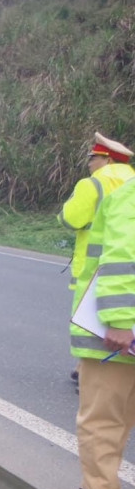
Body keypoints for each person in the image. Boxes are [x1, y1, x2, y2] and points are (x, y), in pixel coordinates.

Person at [71, 136, 135, 489]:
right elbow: (122, 257)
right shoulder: (129, 195)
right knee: (105, 417)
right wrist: (118, 320)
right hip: (113, 326)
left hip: (123, 326)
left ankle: (97, 486)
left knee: (122, 416)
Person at [59, 132, 135, 387]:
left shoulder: (93, 183)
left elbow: (70, 218)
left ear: (108, 159)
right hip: (129, 276)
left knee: (89, 321)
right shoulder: (132, 182)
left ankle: (87, 373)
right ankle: (84, 368)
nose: (90, 163)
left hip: (94, 269)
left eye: (93, 158)